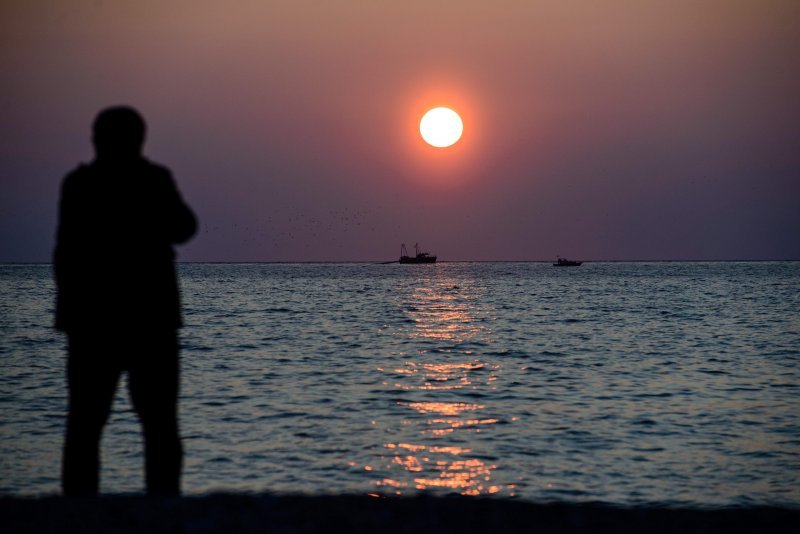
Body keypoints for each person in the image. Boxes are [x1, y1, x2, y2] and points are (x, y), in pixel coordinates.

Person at [54, 106, 197, 496]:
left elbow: (64, 255)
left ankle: (80, 510)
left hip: (96, 323)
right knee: (156, 424)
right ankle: (162, 506)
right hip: (147, 320)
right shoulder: (152, 180)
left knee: (87, 423)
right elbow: (185, 227)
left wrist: (67, 313)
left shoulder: (81, 185)